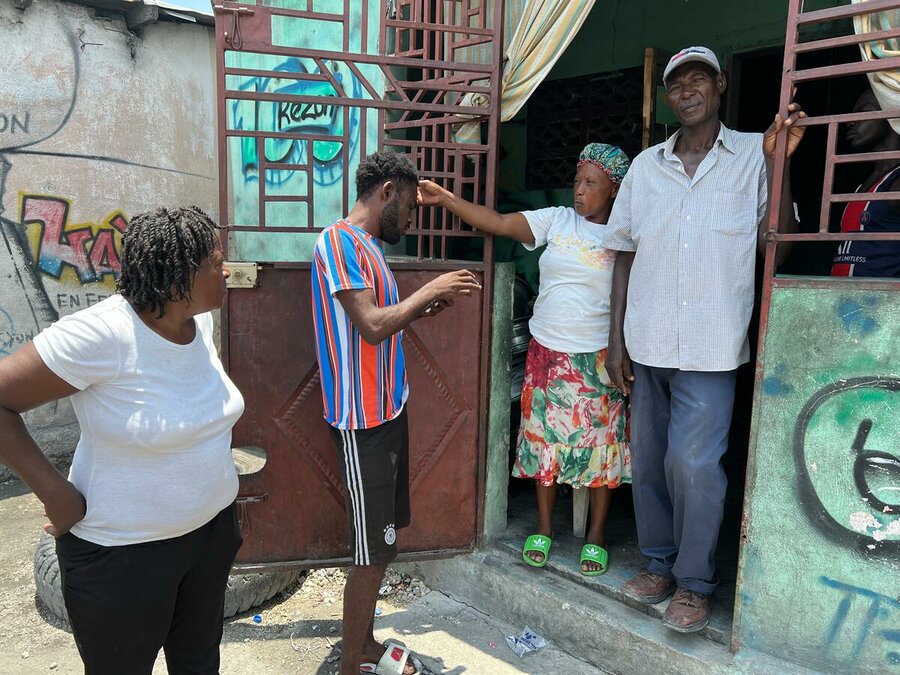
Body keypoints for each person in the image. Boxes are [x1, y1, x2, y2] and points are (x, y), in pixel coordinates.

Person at [602, 46, 806, 633]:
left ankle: (694, 583)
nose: (686, 91)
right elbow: (623, 254)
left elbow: (779, 247)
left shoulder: (751, 156)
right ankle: (659, 563)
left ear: (719, 85)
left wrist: (781, 167)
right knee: (648, 463)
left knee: (694, 465)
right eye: (676, 84)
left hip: (712, 346)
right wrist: (615, 342)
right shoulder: (646, 168)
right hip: (646, 341)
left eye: (697, 80)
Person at [0, 206, 244, 672]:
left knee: (198, 665)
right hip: (123, 560)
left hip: (209, 539)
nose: (227, 269)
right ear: (179, 277)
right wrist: (56, 495)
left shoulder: (200, 323)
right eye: (216, 262)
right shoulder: (101, 335)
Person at [419, 142, 632, 576]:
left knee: (602, 444)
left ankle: (596, 535)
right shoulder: (557, 220)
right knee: (543, 441)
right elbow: (497, 222)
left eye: (591, 183)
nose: (579, 190)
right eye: (577, 181)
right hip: (547, 354)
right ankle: (543, 528)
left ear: (614, 189)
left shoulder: (624, 236)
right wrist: (449, 199)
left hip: (598, 357)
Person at [311, 150, 481, 675]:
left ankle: (363, 645)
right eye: (407, 207)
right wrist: (429, 288)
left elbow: (385, 322)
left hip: (387, 410)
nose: (409, 220)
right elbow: (370, 324)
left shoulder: (368, 249)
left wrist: (424, 308)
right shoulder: (338, 241)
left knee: (383, 540)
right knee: (368, 548)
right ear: (387, 192)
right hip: (361, 421)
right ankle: (349, 665)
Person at [831, 87, 900, 278]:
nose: (850, 122)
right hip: (844, 301)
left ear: (892, 115)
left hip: (879, 304)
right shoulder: (865, 184)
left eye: (863, 112)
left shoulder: (896, 181)